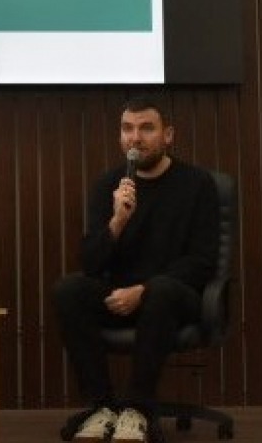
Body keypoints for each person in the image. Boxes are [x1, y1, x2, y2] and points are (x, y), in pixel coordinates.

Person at [52, 96, 220, 443]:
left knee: (161, 291)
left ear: (167, 135)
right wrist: (117, 221)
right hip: (121, 295)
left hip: (174, 297)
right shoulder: (109, 185)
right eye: (127, 129)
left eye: (146, 128)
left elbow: (202, 260)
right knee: (68, 291)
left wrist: (143, 289)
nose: (135, 138)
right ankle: (102, 407)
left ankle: (137, 409)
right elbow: (91, 263)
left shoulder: (197, 183)